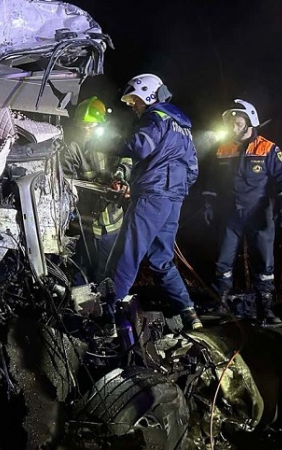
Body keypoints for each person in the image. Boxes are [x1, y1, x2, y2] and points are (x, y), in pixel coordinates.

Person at [105, 73, 202, 330]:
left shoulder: (155, 116)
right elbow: (193, 169)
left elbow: (141, 146)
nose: (133, 106)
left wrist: (109, 143)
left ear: (148, 94)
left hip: (153, 196)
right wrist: (174, 191)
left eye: (135, 100)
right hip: (173, 198)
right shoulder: (183, 126)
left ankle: (107, 315)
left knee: (128, 253)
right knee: (161, 260)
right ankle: (189, 313)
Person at [202, 99, 282, 323]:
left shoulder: (268, 148)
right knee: (222, 260)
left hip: (259, 212)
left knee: (264, 262)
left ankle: (265, 307)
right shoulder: (223, 148)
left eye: (238, 121)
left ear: (250, 122)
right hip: (230, 213)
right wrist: (208, 204)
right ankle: (221, 304)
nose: (233, 126)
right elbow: (212, 181)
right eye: (231, 122)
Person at [61, 96, 131, 283]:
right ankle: (81, 309)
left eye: (91, 127)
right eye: (83, 126)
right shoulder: (74, 146)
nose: (86, 131)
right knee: (80, 271)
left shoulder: (115, 142)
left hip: (110, 223)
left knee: (107, 273)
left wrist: (120, 176)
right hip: (84, 224)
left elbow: (128, 161)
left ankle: (107, 308)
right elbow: (65, 176)